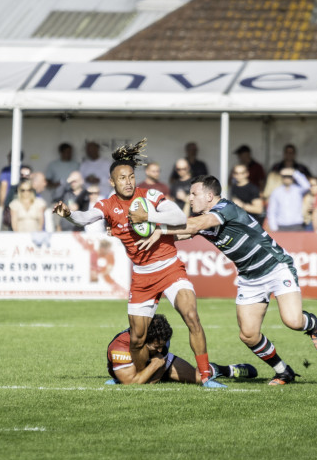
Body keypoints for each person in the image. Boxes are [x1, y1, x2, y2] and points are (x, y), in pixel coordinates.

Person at [53, 139, 225, 388]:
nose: (128, 182)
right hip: (142, 277)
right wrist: (69, 214)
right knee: (136, 339)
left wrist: (148, 216)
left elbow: (178, 216)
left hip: (170, 268)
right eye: (122, 178)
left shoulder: (150, 196)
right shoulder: (108, 205)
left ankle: (206, 377)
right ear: (112, 182)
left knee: (191, 316)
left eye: (131, 176)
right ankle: (139, 375)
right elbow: (84, 218)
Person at [139, 174, 317, 385]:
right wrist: (134, 231)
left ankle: (311, 324)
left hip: (276, 267)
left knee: (293, 321)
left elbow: (193, 225)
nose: (190, 199)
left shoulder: (224, 209)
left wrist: (157, 225)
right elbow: (179, 234)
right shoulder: (203, 219)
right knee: (248, 335)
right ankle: (283, 371)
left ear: (210, 195)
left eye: (194, 194)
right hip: (249, 277)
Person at [107, 314, 257, 385]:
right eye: (155, 347)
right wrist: (154, 365)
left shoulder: (160, 346)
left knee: (199, 378)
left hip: (155, 364)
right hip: (142, 364)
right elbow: (131, 385)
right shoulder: (121, 347)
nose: (160, 350)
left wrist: (155, 369)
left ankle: (227, 370)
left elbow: (158, 365)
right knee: (134, 378)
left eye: (162, 346)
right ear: (143, 340)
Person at [267, 167, 309, 231]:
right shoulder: (276, 192)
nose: (287, 178)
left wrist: (294, 173)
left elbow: (307, 186)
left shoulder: (297, 190)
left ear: (293, 178)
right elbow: (272, 210)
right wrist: (274, 227)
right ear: (282, 177)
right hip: (281, 226)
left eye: (289, 176)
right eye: (285, 176)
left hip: (297, 225)